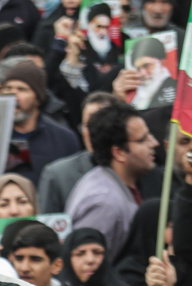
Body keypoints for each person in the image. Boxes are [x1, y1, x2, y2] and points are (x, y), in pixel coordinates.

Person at [66, 103, 158, 257]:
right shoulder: (103, 203)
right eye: (142, 140)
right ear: (119, 152)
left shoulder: (119, 184)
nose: (154, 143)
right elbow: (89, 266)